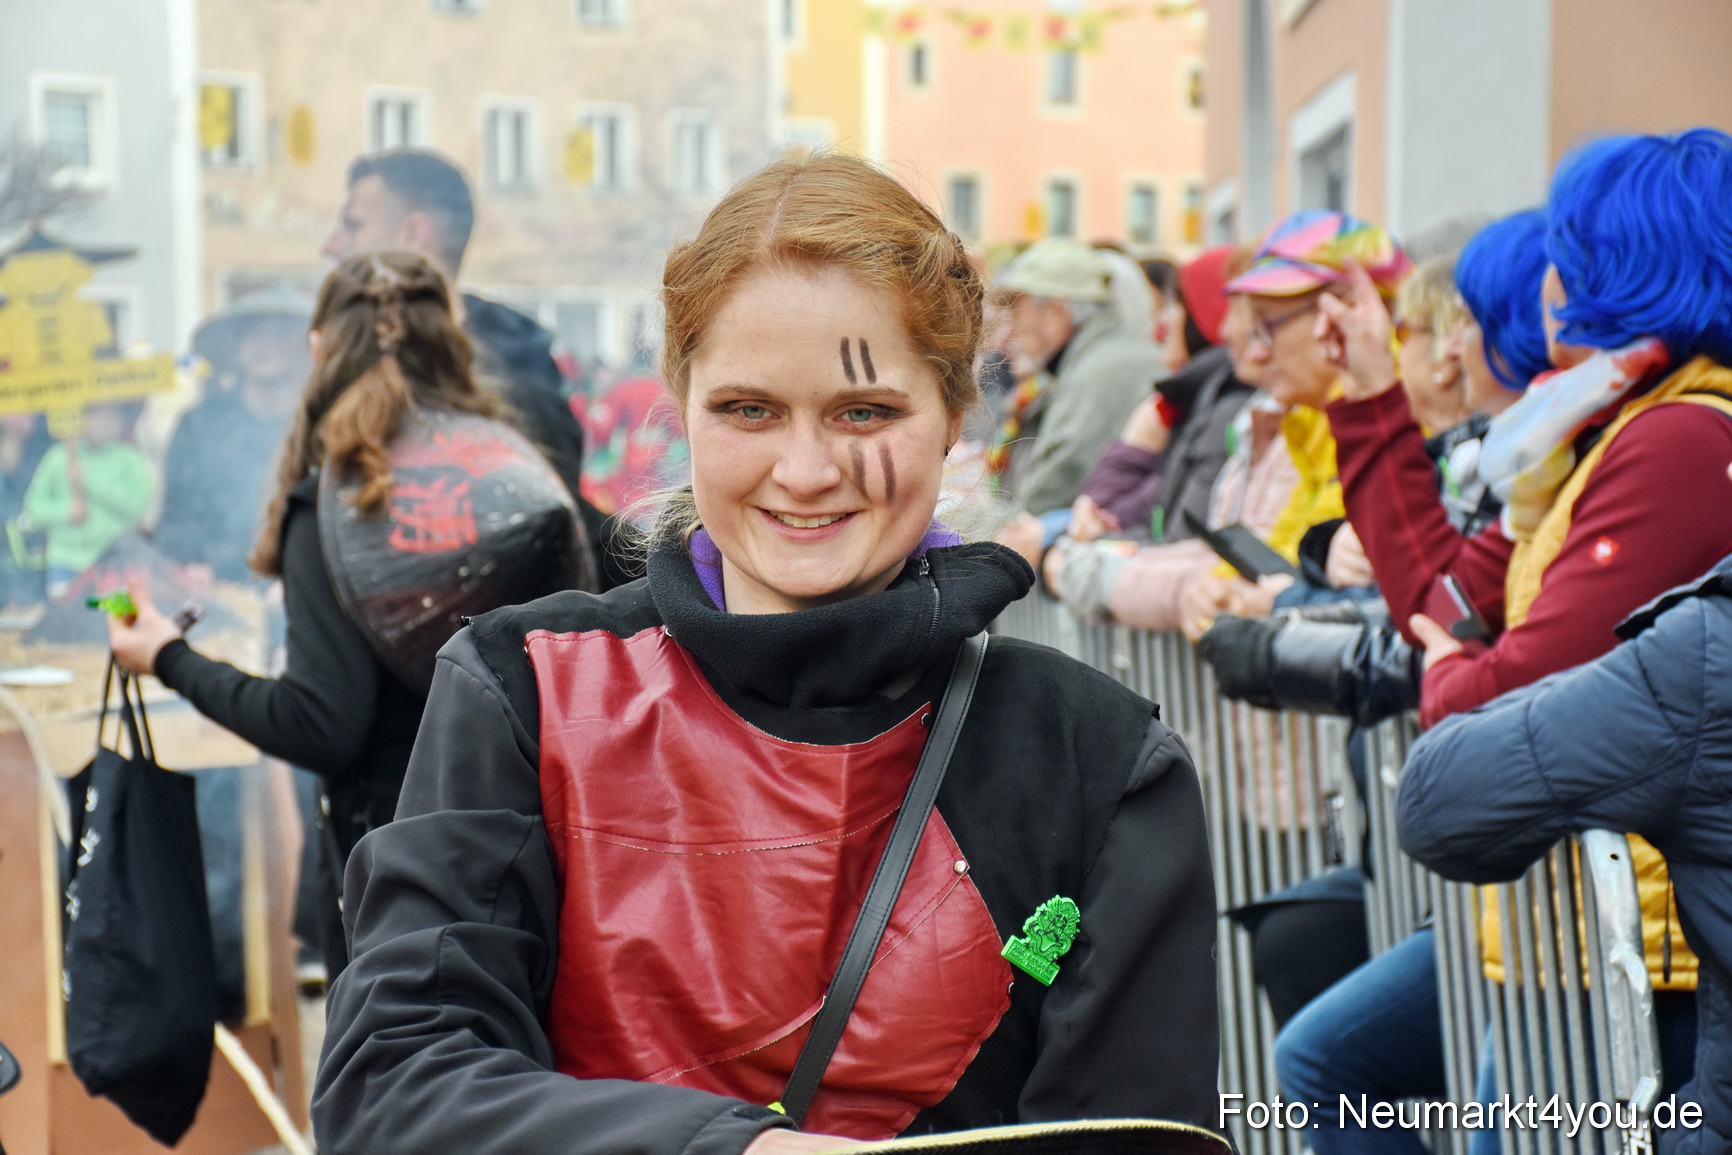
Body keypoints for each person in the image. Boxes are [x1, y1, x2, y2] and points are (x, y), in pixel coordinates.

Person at [312, 154, 1221, 1155]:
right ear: (682, 403)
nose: (805, 471)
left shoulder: (1098, 762)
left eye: (864, 412)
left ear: (953, 419)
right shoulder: (523, 688)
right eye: (749, 409)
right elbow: (395, 1083)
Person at [1278, 129, 1732, 1155]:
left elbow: (1515, 682)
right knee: (1324, 1061)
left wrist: (1452, 681)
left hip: (1630, 945)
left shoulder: (1676, 438)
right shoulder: (1619, 426)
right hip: (1562, 932)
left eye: (1569, 246)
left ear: (1626, 260)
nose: (1551, 277)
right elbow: (1446, 599)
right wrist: (1369, 397)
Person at [103, 252, 574, 978]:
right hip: (539, 862)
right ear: (449, 341)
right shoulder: (520, 476)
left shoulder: (336, 504)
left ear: (319, 347)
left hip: (401, 891)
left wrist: (167, 656)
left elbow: (319, 725)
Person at [1397, 551, 1732, 1155]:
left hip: (1597, 964)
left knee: (1319, 1057)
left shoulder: (1708, 648)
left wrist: (1457, 680)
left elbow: (1438, 800)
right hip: (1559, 949)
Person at [320, 148, 634, 587]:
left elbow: (550, 528)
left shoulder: (512, 372)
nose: (331, 246)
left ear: (412, 234)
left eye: (353, 225)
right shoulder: (358, 359)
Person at [1177, 209, 1412, 638]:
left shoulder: (1398, 415)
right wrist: (1222, 585)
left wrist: (1268, 601)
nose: (1258, 352)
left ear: (1346, 311)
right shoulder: (1313, 419)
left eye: (1268, 326)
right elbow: (1284, 550)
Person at [1067, 245, 1254, 546]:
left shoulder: (1226, 408)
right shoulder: (1192, 400)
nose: (1161, 322)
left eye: (1175, 305)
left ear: (1203, 315)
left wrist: (1136, 442)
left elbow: (1114, 513)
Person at [987, 237, 1165, 519]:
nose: (1010, 330)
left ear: (1056, 315)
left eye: (1016, 311)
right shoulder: (1103, 354)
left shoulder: (1098, 370)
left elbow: (1047, 494)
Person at [155, 285, 314, 583]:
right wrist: (189, 562)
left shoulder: (324, 426)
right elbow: (178, 510)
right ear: (236, 344)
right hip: (217, 584)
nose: (265, 344)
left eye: (279, 333)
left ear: (305, 345)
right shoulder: (199, 424)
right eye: (253, 333)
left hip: (300, 581)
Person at [19, 402, 154, 596]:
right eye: (97, 416)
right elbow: (33, 508)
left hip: (114, 564)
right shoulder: (58, 457)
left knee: (112, 614)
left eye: (111, 417)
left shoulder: (130, 459)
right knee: (67, 615)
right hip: (65, 563)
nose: (104, 424)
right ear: (83, 419)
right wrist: (65, 511)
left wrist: (91, 483)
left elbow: (137, 508)